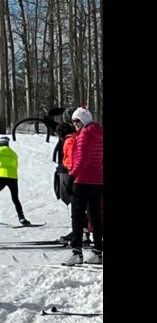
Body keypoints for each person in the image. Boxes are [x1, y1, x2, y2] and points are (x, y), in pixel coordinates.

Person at [63, 106, 103, 266]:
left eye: (76, 121)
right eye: (73, 121)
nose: (74, 125)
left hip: (82, 180)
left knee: (77, 216)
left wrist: (71, 177)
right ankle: (98, 252)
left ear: (83, 121)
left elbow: (82, 159)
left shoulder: (84, 135)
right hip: (98, 181)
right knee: (95, 217)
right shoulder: (99, 134)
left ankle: (76, 252)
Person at [0, 136, 30, 226]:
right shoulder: (14, 153)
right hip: (13, 177)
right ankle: (22, 218)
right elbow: (14, 166)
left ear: (0, 143)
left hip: (2, 176)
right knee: (15, 198)